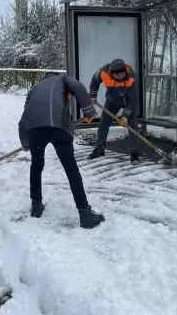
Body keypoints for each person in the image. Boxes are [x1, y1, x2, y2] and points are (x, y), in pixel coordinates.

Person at [18, 72, 105, 229]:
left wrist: (25, 141)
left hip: (35, 130)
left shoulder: (35, 87)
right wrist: (89, 111)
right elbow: (78, 87)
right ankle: (85, 214)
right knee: (71, 169)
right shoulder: (63, 78)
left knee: (36, 166)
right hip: (59, 127)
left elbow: (25, 114)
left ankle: (36, 206)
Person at [88, 58, 141, 162]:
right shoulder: (103, 72)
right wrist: (93, 96)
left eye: (121, 75)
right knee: (103, 124)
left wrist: (125, 116)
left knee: (133, 126)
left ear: (125, 72)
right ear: (111, 73)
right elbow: (95, 81)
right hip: (112, 100)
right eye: (117, 75)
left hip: (128, 101)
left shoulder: (131, 77)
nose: (120, 77)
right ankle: (99, 149)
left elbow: (132, 101)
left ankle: (134, 154)